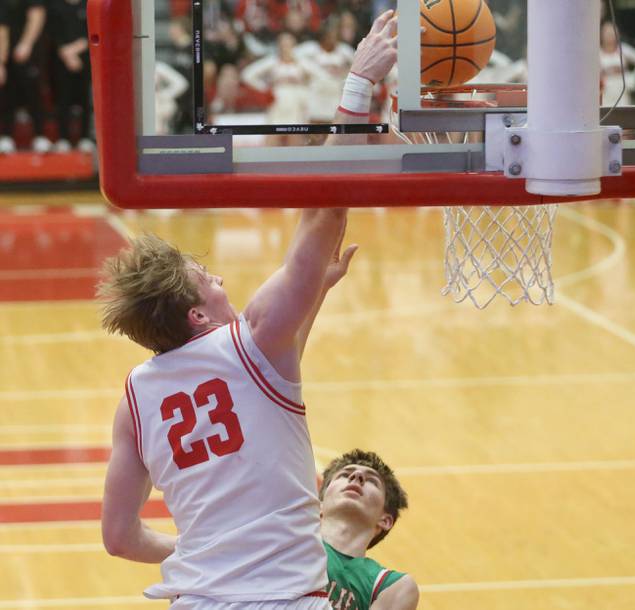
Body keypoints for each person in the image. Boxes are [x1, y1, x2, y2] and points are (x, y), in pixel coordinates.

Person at [98, 11, 397, 610]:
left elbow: (119, 537)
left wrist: (205, 549)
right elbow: (324, 212)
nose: (221, 278)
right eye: (207, 279)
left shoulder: (136, 395)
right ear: (198, 318)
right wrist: (357, 89)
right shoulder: (254, 338)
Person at [319, 450, 419, 610]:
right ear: (319, 505)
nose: (357, 476)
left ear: (385, 520)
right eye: (344, 475)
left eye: (372, 481)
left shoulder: (391, 585)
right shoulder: (292, 539)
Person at [0, 0, 49, 154]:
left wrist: (26, 44)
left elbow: (37, 16)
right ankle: (6, 136)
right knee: (6, 93)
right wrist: (1, 61)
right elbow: (2, 29)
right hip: (8, 53)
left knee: (33, 93)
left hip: (30, 52)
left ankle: (40, 136)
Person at [49, 0, 94, 153]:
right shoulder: (56, 6)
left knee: (84, 100)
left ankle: (85, 138)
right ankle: (63, 139)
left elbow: (92, 32)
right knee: (63, 99)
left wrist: (74, 51)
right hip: (61, 62)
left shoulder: (87, 6)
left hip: (84, 61)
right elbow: (52, 33)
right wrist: (66, 53)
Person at [599, 20, 635, 107]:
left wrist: (633, 78)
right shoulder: (597, 53)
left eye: (612, 33)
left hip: (622, 92)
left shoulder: (623, 50)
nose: (610, 36)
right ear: (601, 34)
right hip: (605, 93)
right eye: (607, 33)